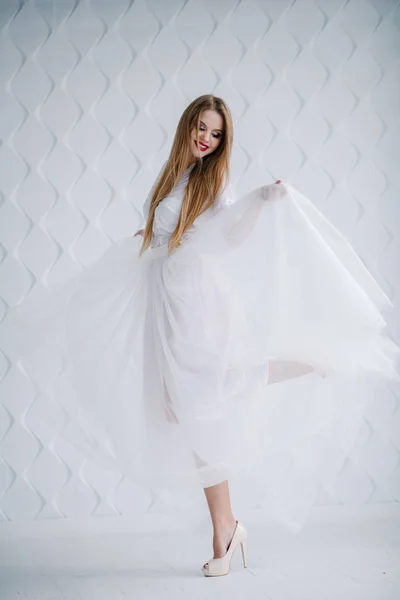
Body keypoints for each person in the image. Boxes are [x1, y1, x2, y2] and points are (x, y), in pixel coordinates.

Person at [8, 94, 398, 577]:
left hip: (197, 300)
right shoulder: (175, 176)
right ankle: (230, 523)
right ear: (188, 125)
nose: (207, 139)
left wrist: (260, 201)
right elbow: (159, 237)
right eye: (202, 128)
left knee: (203, 403)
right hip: (169, 301)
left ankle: (229, 524)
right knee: (192, 407)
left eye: (216, 134)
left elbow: (231, 237)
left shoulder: (216, 183)